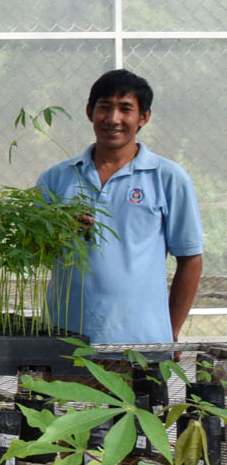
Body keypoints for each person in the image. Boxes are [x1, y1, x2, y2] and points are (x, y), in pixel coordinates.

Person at [36, 69, 203, 346]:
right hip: (64, 340)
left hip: (141, 344)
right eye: (105, 108)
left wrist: (169, 331)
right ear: (90, 112)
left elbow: (190, 258)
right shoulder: (57, 178)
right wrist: (59, 230)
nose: (113, 119)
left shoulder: (167, 177)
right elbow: (34, 252)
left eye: (126, 109)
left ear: (144, 117)